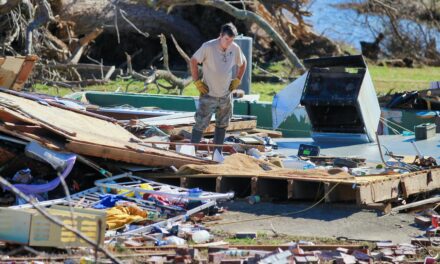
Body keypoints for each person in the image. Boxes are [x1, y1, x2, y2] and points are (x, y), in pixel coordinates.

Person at [190, 22, 247, 154]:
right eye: (227, 39)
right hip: (208, 93)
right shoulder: (208, 46)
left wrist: (238, 79)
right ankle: (192, 152)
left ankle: (217, 153)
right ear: (220, 36)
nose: (229, 42)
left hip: (225, 95)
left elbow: (243, 63)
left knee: (222, 124)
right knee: (200, 124)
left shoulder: (235, 48)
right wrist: (197, 81)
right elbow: (193, 60)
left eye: (232, 40)